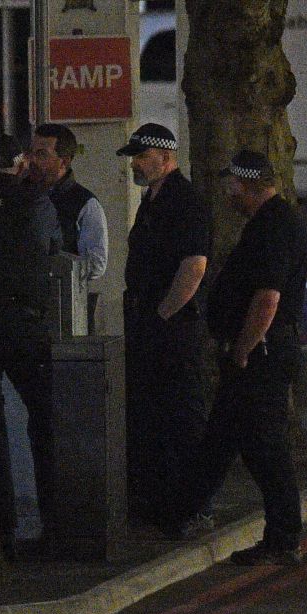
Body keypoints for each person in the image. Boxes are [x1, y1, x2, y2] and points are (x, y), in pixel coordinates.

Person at [173, 150, 307, 566]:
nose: (228, 192)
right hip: (253, 352)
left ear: (248, 185)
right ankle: (181, 512)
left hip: (259, 355)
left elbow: (267, 298)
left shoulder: (272, 229)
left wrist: (244, 349)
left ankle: (284, 538)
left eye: (232, 184)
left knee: (264, 447)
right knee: (222, 437)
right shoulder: (268, 224)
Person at [0, 134, 62, 558]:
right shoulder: (37, 201)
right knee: (44, 421)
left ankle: (1, 528)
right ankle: (55, 521)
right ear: (20, 163)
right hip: (26, 323)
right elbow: (55, 251)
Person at [116, 123, 212, 528]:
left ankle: (190, 507)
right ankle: (160, 504)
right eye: (134, 156)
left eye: (142, 156)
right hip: (150, 325)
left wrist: (162, 315)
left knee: (180, 417)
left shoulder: (185, 202)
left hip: (172, 330)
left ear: (166, 157)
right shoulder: (152, 201)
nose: (136, 163)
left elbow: (194, 266)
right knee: (152, 416)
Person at [27, 123, 109, 283]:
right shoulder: (23, 193)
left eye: (42, 155)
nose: (33, 161)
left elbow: (96, 263)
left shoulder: (84, 203)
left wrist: (50, 257)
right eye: (31, 153)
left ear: (63, 162)